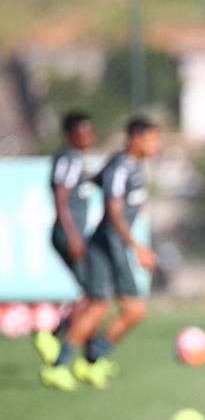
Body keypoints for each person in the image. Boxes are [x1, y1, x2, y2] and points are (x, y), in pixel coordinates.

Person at [40, 116, 161, 391]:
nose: (157, 145)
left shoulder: (128, 166)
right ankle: (63, 363)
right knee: (112, 307)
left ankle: (91, 357)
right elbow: (114, 214)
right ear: (136, 139)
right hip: (107, 246)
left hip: (113, 245)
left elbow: (100, 183)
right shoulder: (121, 168)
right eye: (153, 139)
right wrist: (138, 246)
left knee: (122, 308)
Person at [34, 111, 96, 366]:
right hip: (69, 235)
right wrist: (73, 236)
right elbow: (61, 198)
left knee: (93, 293)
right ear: (71, 134)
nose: (89, 137)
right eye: (84, 132)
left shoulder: (75, 160)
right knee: (95, 294)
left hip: (72, 235)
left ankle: (90, 353)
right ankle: (53, 336)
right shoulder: (68, 159)